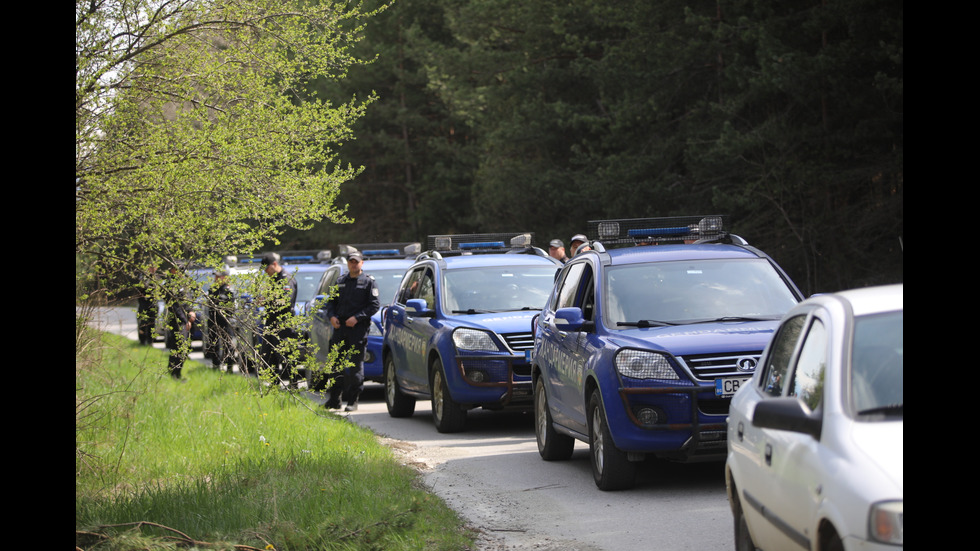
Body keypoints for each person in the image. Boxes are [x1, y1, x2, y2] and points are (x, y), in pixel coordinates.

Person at [324, 251, 380, 411]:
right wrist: (332, 316)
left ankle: (353, 401)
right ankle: (334, 400)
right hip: (340, 328)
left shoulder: (369, 282)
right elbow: (331, 302)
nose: (353, 264)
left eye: (356, 261)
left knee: (355, 366)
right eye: (351, 261)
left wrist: (357, 318)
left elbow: (374, 305)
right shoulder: (340, 281)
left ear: (362, 263)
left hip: (358, 329)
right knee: (335, 365)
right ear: (348, 263)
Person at [260, 253, 299, 386]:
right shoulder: (273, 279)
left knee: (286, 355)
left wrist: (266, 301)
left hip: (284, 323)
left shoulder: (285, 279)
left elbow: (285, 302)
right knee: (269, 354)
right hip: (272, 322)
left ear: (274, 265)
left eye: (267, 269)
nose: (266, 273)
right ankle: (274, 385)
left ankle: (293, 385)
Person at [164, 264, 196, 381]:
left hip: (185, 320)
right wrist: (185, 320)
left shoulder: (183, 284)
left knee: (184, 349)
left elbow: (187, 302)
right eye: (178, 270)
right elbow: (175, 306)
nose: (181, 273)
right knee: (178, 348)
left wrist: (192, 311)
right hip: (177, 322)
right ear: (172, 270)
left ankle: (177, 373)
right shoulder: (170, 285)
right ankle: (174, 374)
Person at [206, 269, 236, 371]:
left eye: (219, 276)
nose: (216, 278)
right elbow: (210, 306)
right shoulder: (212, 289)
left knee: (228, 344)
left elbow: (231, 308)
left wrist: (226, 317)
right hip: (214, 321)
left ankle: (230, 367)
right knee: (214, 344)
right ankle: (216, 366)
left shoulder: (229, 290)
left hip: (226, 321)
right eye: (216, 276)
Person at [136, 265, 158, 346]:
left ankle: (150, 341)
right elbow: (140, 291)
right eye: (151, 268)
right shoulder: (144, 278)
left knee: (152, 324)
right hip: (144, 304)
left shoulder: (156, 278)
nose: (153, 269)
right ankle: (142, 340)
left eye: (154, 268)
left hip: (153, 305)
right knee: (143, 323)